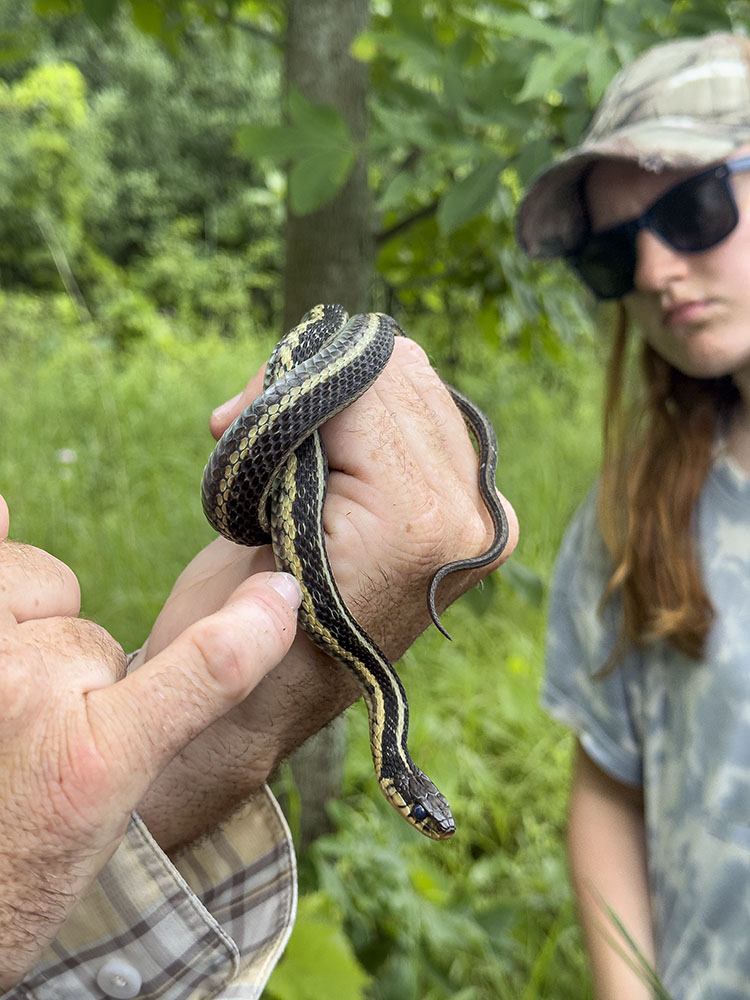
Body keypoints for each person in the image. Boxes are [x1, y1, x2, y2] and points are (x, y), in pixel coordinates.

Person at [0, 334, 518, 998]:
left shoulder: (375, 691)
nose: (426, 822)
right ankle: (325, 346)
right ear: (398, 786)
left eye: (425, 817)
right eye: (421, 814)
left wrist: (208, 746)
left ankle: (321, 351)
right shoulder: (376, 689)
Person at [517, 31, 750, 1000]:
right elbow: (611, 786)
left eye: (694, 209)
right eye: (613, 252)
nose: (655, 269)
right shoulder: (632, 520)